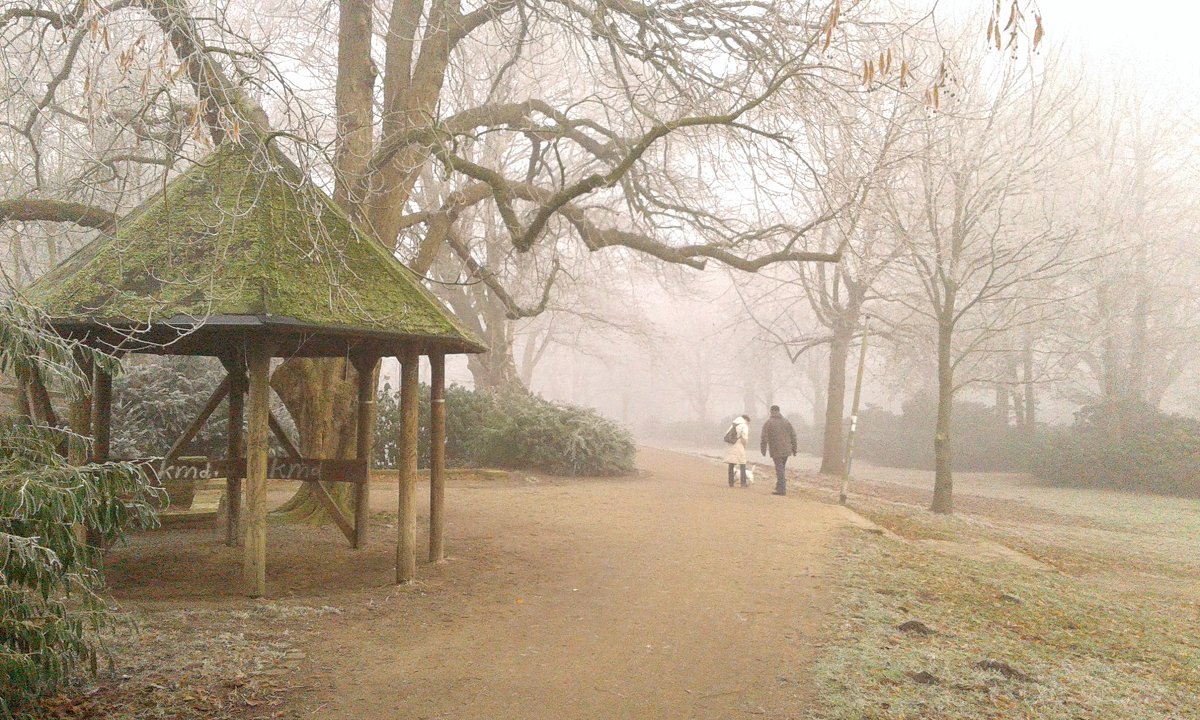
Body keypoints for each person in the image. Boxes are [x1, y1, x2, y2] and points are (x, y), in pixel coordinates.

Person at [760, 405, 798, 496]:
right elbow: (793, 435)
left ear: (771, 411)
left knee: (779, 469)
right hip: (787, 450)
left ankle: (782, 489)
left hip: (776, 449)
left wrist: (763, 449)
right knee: (782, 468)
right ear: (779, 411)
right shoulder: (786, 422)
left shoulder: (768, 423)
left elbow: (764, 437)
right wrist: (794, 448)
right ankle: (779, 486)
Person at [724, 414, 751, 487]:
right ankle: (743, 482)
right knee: (742, 463)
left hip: (731, 445)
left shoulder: (733, 424)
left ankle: (730, 482)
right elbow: (744, 437)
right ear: (746, 420)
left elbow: (726, 434)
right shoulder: (744, 425)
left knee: (731, 463)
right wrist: (744, 445)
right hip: (739, 445)